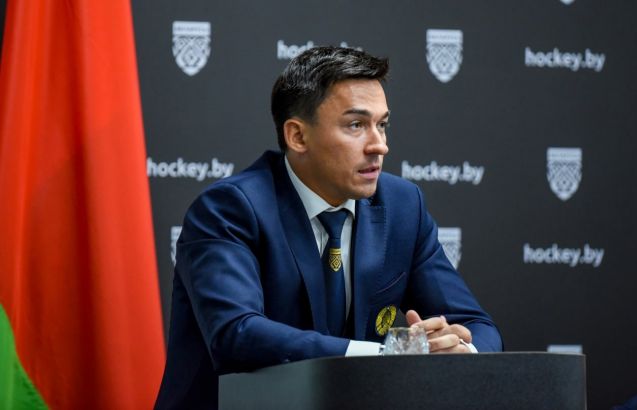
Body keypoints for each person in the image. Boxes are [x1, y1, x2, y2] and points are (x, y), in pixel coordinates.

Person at [155, 46, 502, 409]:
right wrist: (387, 358)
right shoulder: (230, 208)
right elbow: (237, 333)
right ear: (297, 136)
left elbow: (476, 324)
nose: (379, 145)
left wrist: (459, 351)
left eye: (382, 125)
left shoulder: (402, 206)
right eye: (356, 125)